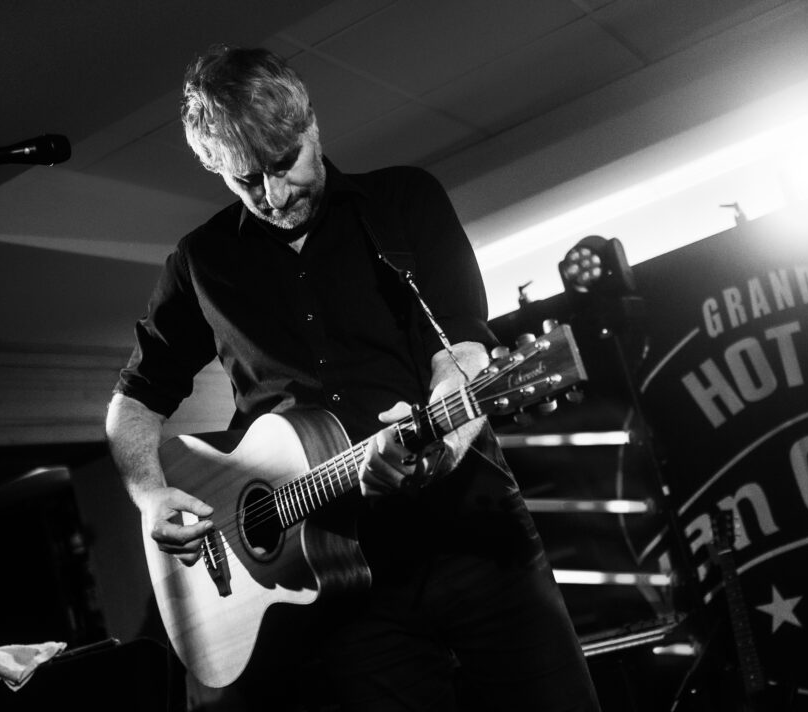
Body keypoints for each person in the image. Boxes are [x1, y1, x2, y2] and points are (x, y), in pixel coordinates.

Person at [104, 44, 601, 712]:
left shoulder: (403, 202)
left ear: (312, 126)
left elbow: (461, 353)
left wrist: (440, 446)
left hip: (475, 541)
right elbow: (132, 405)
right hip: (335, 591)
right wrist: (150, 496)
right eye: (247, 181)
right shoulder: (200, 264)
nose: (273, 196)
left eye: (284, 165)